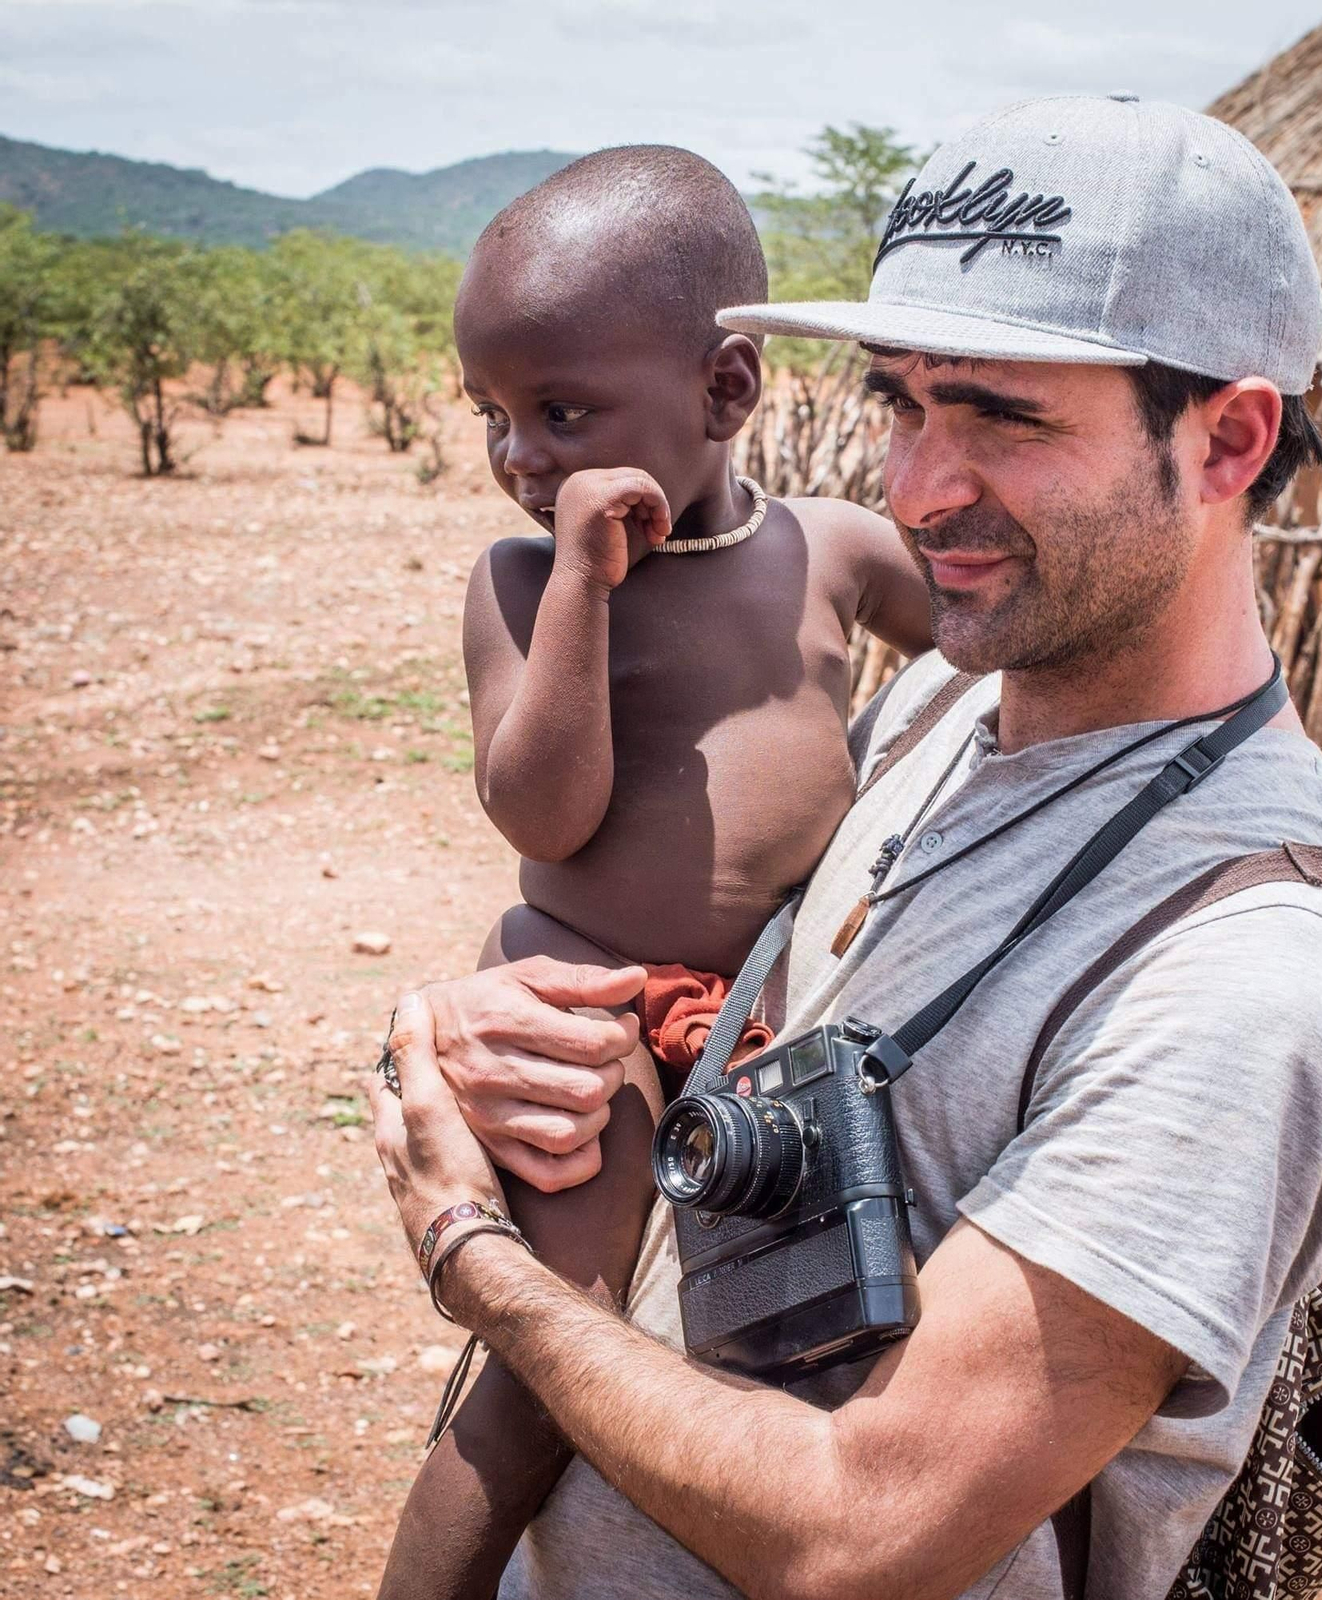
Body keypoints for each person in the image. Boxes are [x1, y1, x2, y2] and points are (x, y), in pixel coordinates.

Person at [370, 97, 1322, 1600]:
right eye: (903, 403)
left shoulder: (1250, 973)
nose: (918, 487)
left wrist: (472, 1249)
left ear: (1229, 439)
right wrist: (489, 1027)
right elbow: (698, 921)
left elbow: (858, 1537)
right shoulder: (938, 704)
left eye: (1004, 414)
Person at [378, 145, 934, 1599]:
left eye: (563, 411)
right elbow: (544, 812)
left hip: (773, 1023)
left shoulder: (833, 553)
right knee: (551, 1353)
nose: (523, 457)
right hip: (586, 1018)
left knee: (770, 1347)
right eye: (496, 416)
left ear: (727, 392)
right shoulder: (518, 586)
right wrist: (577, 589)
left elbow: (991, 658)